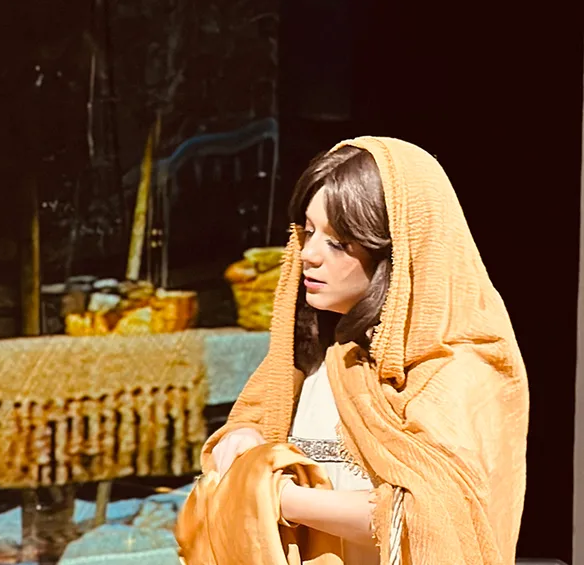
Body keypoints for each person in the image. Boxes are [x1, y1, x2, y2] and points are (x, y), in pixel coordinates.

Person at [196, 137, 529, 563]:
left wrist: (279, 498)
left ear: (396, 251)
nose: (309, 254)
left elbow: (437, 520)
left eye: (338, 241)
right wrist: (245, 436)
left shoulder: (457, 370)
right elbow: (255, 425)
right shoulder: (312, 355)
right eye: (308, 231)